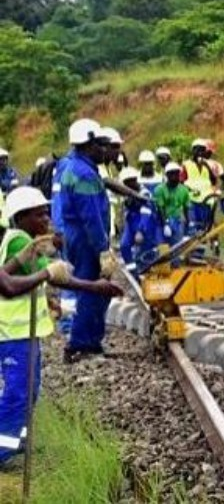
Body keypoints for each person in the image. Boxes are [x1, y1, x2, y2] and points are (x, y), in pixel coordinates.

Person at [0, 187, 122, 465]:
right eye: (39, 214)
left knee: (29, 391)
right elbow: (51, 277)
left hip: (24, 333)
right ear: (21, 217)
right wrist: (93, 286)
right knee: (18, 394)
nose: (46, 219)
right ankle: (2, 453)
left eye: (46, 212)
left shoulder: (23, 240)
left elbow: (51, 275)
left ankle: (14, 444)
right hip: (13, 334)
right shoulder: (19, 241)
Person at [54, 119, 119, 362]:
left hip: (78, 236)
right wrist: (102, 250)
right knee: (92, 290)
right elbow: (91, 217)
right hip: (85, 239)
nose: (105, 149)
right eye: (100, 144)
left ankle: (91, 342)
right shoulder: (83, 174)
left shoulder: (78, 167)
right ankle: (81, 344)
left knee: (95, 290)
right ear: (88, 144)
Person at [118, 167, 159, 276]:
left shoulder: (144, 193)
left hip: (144, 223)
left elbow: (146, 212)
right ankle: (133, 272)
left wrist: (140, 231)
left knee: (146, 250)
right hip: (131, 223)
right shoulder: (127, 193)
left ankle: (146, 272)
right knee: (124, 245)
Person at [181, 139, 217, 240]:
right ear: (193, 151)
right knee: (193, 227)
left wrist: (207, 167)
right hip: (191, 201)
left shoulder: (207, 165)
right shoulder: (186, 164)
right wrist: (190, 190)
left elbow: (213, 181)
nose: (200, 153)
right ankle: (191, 252)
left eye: (202, 150)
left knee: (204, 229)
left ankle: (200, 253)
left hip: (206, 201)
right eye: (198, 150)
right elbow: (181, 182)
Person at [154, 162, 190, 249]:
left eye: (176, 173)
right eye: (171, 174)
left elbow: (186, 208)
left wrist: (187, 228)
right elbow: (160, 208)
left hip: (177, 221)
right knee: (163, 248)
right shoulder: (160, 190)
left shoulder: (184, 190)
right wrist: (165, 224)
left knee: (176, 248)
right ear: (167, 175)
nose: (174, 176)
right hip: (161, 221)